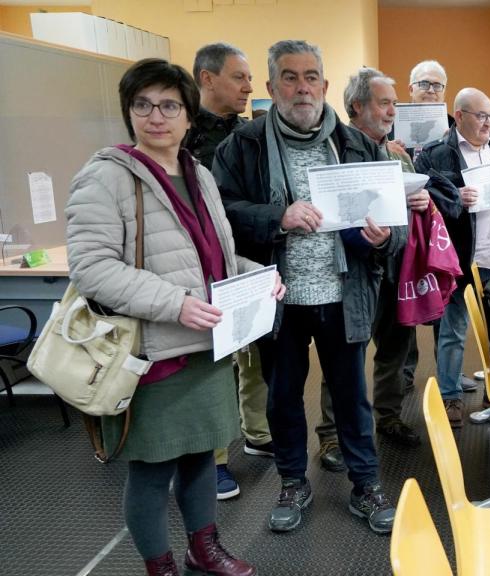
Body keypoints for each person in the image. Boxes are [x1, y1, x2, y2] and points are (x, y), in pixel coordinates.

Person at [66, 58, 282, 576]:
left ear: (188, 116)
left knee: (202, 455)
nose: (155, 116)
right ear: (128, 112)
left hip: (206, 346)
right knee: (152, 468)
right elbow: (93, 269)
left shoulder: (198, 173)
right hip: (153, 353)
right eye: (143, 105)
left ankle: (202, 548)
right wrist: (176, 303)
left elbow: (216, 258)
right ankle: (158, 566)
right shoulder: (107, 177)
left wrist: (258, 274)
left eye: (168, 105)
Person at [213, 40, 405, 535]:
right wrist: (277, 216)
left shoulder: (357, 144)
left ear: (324, 83)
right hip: (278, 299)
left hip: (345, 294)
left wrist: (383, 237)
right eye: (291, 77)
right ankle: (293, 482)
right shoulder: (243, 146)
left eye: (312, 77)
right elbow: (220, 212)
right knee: (282, 399)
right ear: (272, 86)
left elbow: (393, 223)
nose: (303, 88)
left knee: (351, 397)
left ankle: (366, 485)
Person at [184, 41, 273, 502]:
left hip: (249, 257)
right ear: (207, 78)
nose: (249, 86)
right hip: (202, 266)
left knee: (256, 354)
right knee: (215, 364)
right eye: (239, 77)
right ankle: (214, 460)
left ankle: (257, 434)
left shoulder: (251, 133)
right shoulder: (182, 137)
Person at [415, 87, 490, 427]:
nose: (488, 123)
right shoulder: (435, 155)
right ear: (459, 115)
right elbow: (424, 200)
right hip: (461, 259)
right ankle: (450, 399)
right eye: (481, 116)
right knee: (453, 331)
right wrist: (454, 197)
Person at [342, 67, 430, 447]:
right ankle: (334, 435)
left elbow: (417, 207)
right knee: (344, 358)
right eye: (384, 103)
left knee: (395, 349)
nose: (392, 112)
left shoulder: (399, 157)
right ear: (357, 106)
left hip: (397, 266)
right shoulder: (336, 151)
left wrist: (423, 202)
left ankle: (389, 417)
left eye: (394, 104)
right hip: (354, 271)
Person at [408, 59, 455, 128]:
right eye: (424, 84)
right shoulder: (391, 124)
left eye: (437, 85)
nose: (431, 90)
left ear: (444, 93)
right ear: (411, 90)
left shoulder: (455, 127)